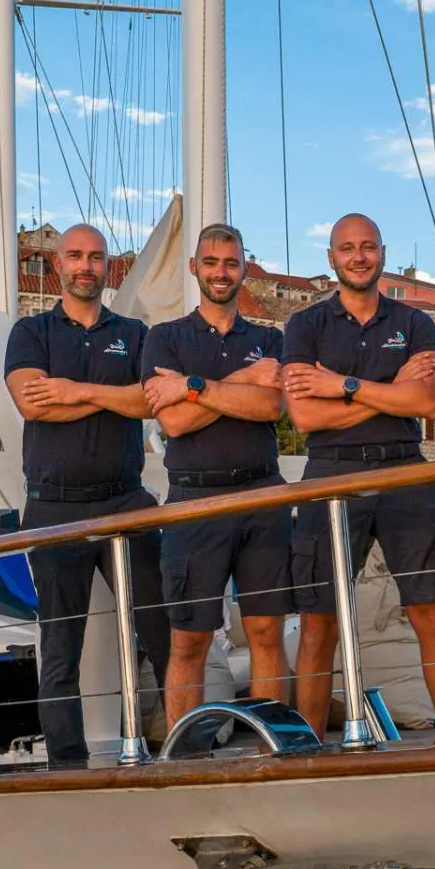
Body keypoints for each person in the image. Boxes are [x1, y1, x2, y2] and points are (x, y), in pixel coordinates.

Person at [3, 222, 173, 765]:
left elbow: (151, 403)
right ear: (58, 266)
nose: (85, 266)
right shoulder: (31, 334)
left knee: (163, 628)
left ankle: (179, 740)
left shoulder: (134, 333)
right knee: (60, 647)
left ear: (108, 267)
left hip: (126, 499)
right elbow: (33, 406)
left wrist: (76, 391)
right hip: (54, 506)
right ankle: (67, 763)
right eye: (75, 256)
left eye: (95, 257)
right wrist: (113, 396)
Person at [282, 213, 435, 738]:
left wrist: (344, 385)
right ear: (331, 258)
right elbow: (305, 417)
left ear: (382, 252)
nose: (359, 256)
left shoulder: (416, 322)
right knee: (319, 622)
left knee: (430, 611)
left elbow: (428, 402)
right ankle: (305, 754)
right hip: (330, 470)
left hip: (403, 466)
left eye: (368, 247)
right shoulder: (304, 326)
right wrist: (386, 390)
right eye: (347, 248)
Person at [141, 223, 293, 728]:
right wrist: (242, 382)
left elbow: (271, 406)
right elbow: (176, 421)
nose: (221, 272)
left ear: (244, 268)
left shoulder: (270, 338)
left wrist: (195, 386)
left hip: (261, 495)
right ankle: (179, 757)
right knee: (188, 639)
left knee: (267, 633)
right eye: (211, 263)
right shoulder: (165, 339)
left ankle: (270, 750)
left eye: (230, 263)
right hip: (194, 501)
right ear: (195, 269)